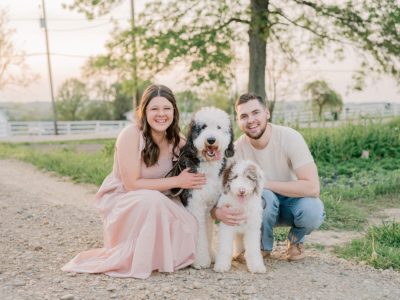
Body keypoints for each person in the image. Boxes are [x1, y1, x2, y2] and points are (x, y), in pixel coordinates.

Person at [62, 84, 206, 279]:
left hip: (159, 200)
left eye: (166, 108)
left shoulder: (176, 141)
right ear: (144, 111)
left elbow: (207, 160)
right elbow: (132, 185)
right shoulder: (131, 135)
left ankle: (158, 256)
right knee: (151, 200)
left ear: (174, 111)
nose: (161, 114)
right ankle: (136, 255)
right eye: (154, 109)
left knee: (190, 223)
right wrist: (178, 180)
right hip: (125, 200)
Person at [212, 93, 325, 261]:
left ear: (267, 113)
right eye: (244, 116)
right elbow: (220, 192)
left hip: (292, 203)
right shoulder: (235, 151)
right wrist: (217, 212)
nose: (250, 120)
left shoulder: (290, 138)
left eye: (255, 112)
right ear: (238, 121)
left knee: (313, 209)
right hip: (261, 208)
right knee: (265, 196)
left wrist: (264, 183)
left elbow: (313, 188)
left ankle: (295, 241)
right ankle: (262, 246)